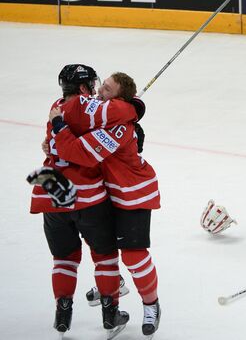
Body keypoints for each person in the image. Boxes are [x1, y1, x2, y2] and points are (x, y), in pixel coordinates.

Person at [49, 71, 162, 337]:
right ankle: (112, 284)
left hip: (132, 195)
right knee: (106, 250)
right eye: (102, 87)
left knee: (133, 256)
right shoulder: (108, 114)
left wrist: (58, 128)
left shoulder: (120, 125)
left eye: (107, 90)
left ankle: (151, 305)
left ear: (119, 100)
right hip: (106, 194)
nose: (100, 92)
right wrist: (51, 143)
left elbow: (79, 153)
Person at [29, 64, 131, 337]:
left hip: (51, 195)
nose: (97, 90)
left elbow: (51, 143)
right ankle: (110, 315)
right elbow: (118, 115)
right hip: (86, 195)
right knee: (105, 258)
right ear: (85, 88)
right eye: (93, 85)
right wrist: (133, 108)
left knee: (63, 258)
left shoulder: (56, 105)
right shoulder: (92, 107)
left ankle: (63, 313)